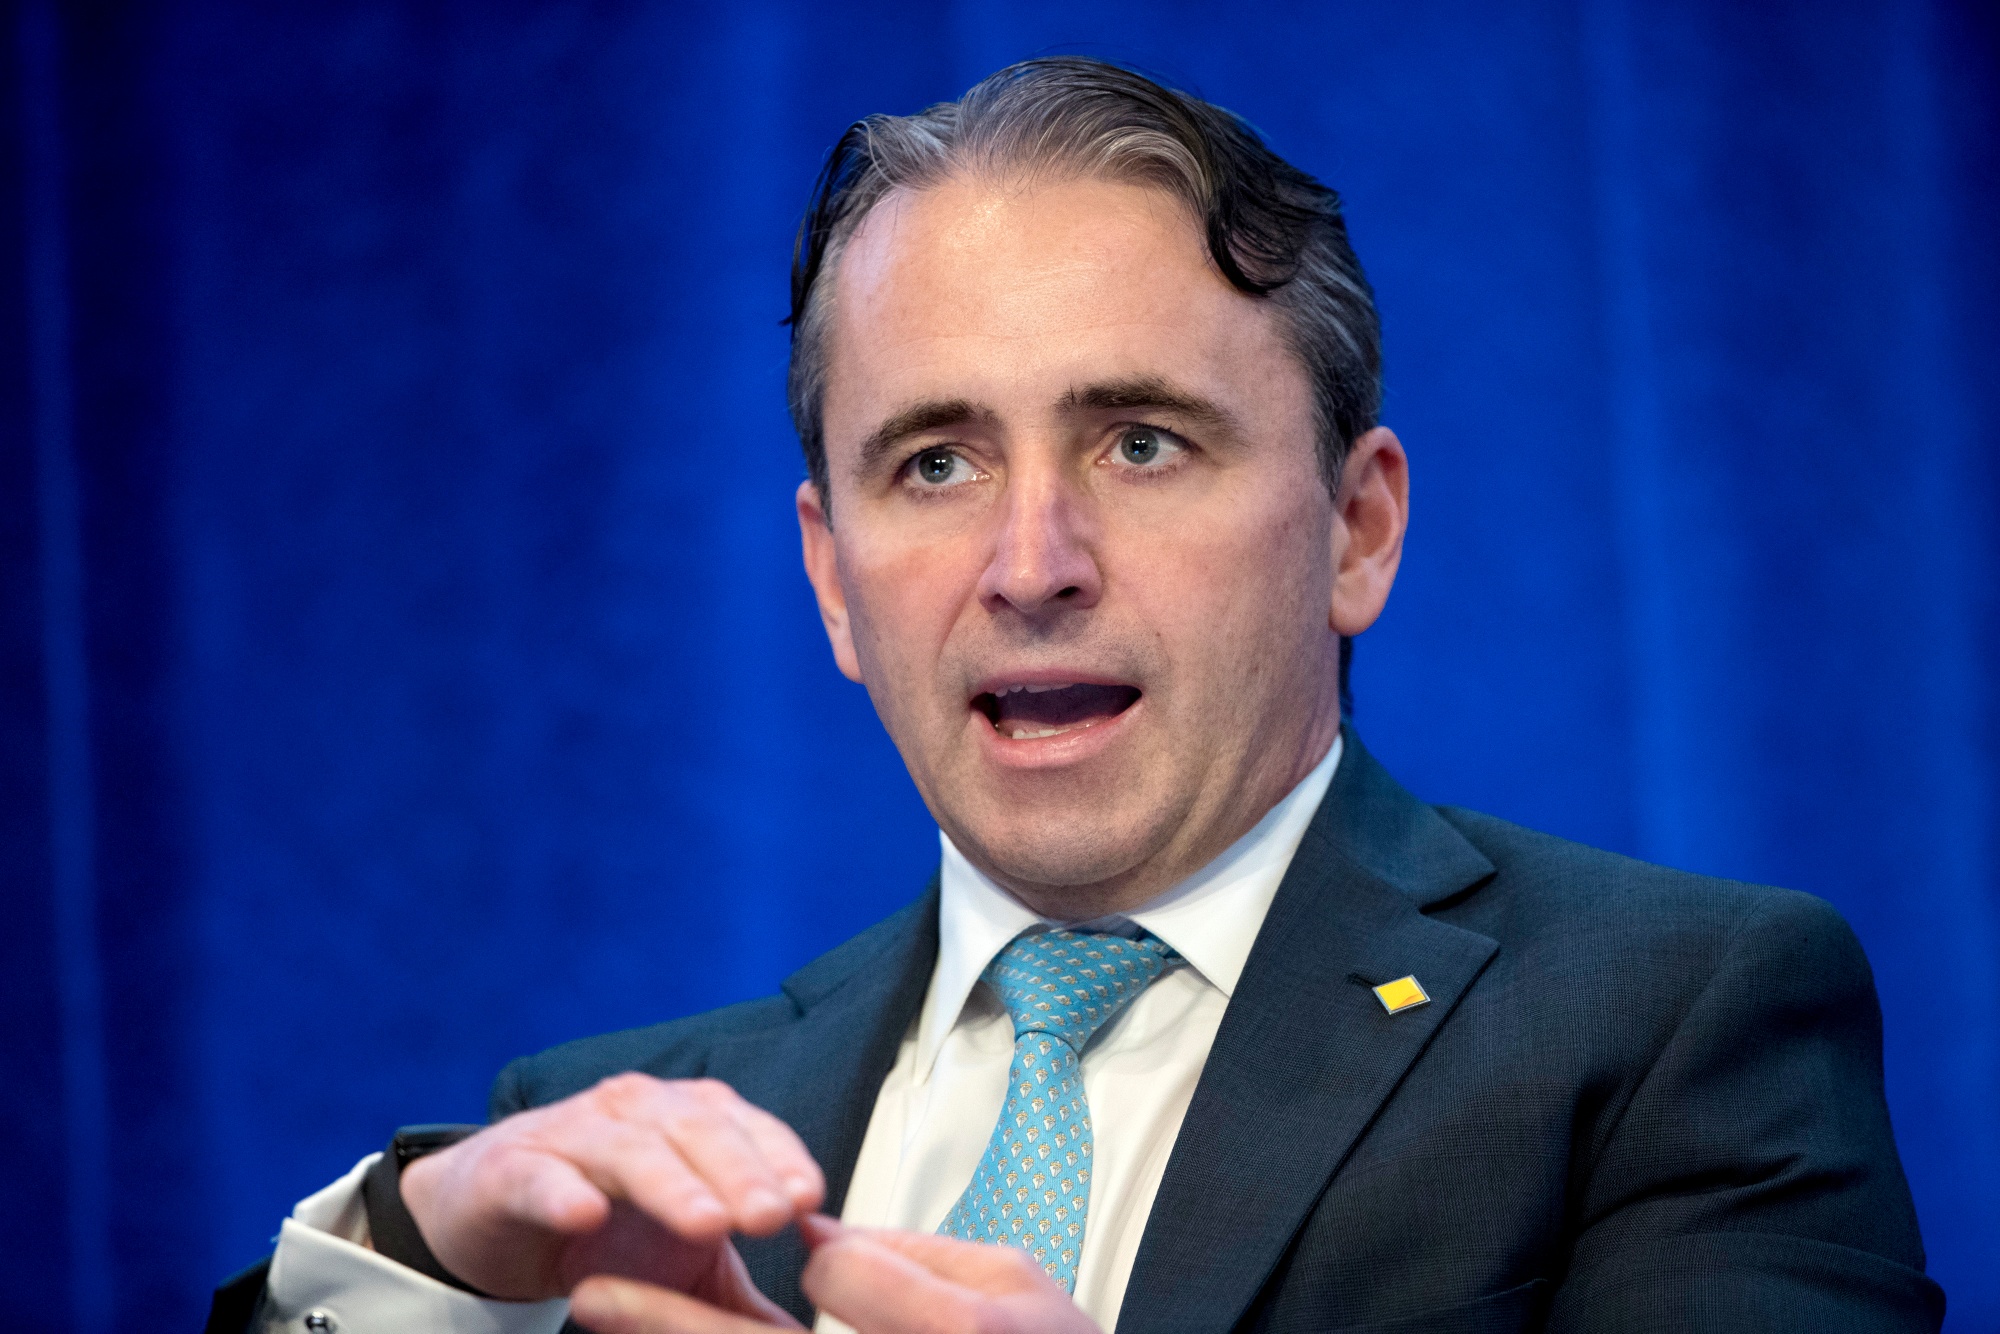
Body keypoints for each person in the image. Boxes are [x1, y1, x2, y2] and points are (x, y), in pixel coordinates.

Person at [207, 58, 1942, 1334]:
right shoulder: (614, 1149)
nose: (1031, 560)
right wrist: (420, 1260)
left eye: (1139, 440)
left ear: (1358, 527)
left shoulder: (1671, 1025)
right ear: (831, 579)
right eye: (937, 460)